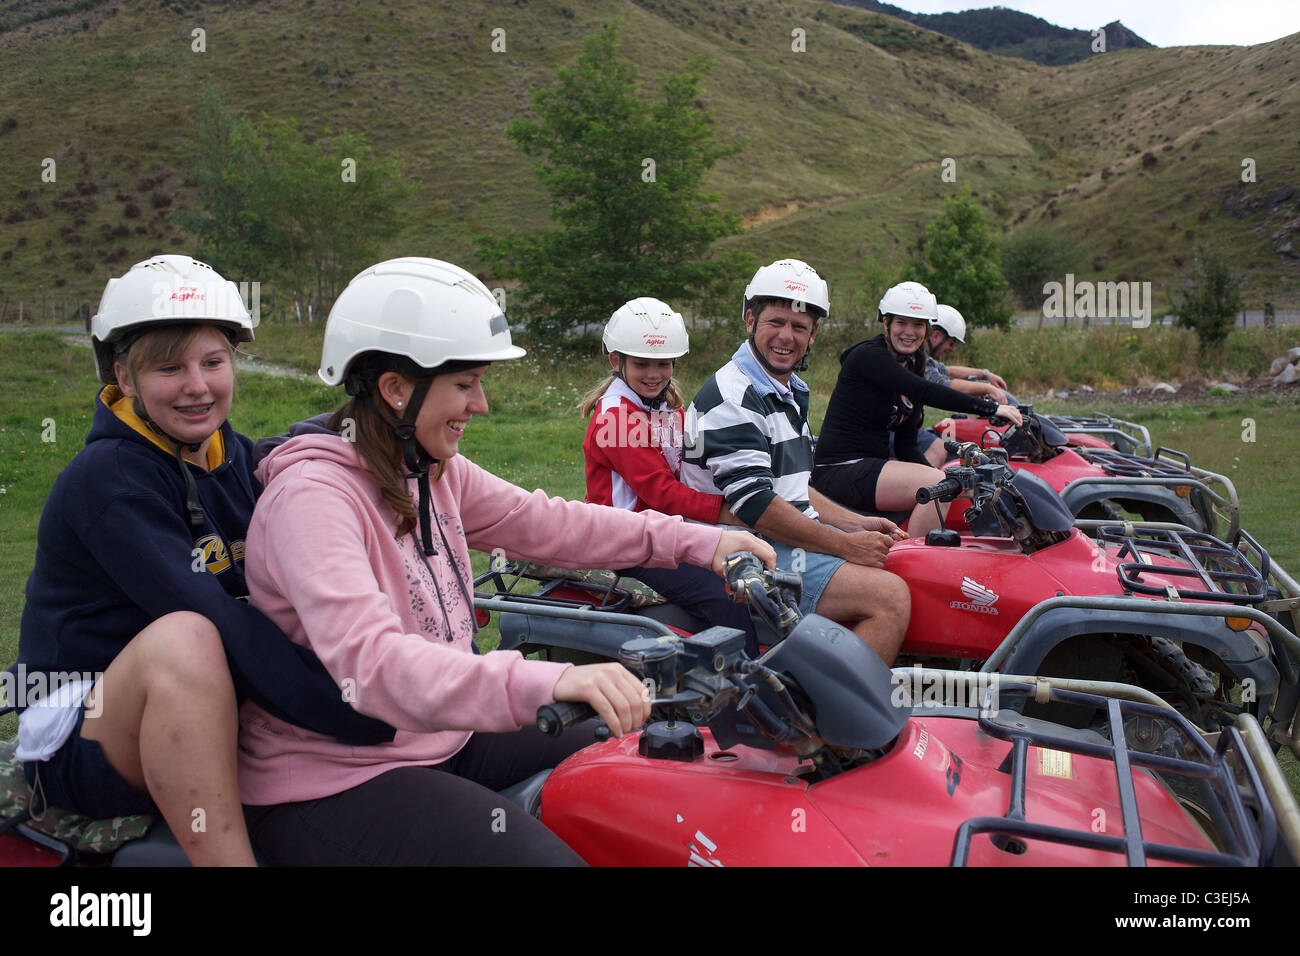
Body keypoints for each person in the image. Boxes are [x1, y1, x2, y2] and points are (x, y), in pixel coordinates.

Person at [237, 258, 772, 866]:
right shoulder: (313, 499)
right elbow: (375, 664)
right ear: (395, 390)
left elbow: (549, 523)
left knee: (656, 752)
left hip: (439, 733)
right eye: (465, 384)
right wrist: (550, 678)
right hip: (334, 776)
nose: (482, 405)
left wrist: (700, 543)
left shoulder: (428, 468)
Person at [13, 255, 392, 867]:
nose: (197, 385)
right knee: (188, 636)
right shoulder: (108, 481)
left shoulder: (235, 457)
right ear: (124, 377)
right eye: (169, 368)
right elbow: (216, 618)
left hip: (208, 699)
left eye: (212, 362)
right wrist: (361, 709)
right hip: (87, 728)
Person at [680, 259, 910, 666]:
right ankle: (834, 725)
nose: (786, 336)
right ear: (750, 319)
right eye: (775, 322)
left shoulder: (786, 389)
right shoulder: (733, 395)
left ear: (814, 334)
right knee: (890, 598)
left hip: (778, 539)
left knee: (911, 561)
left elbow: (791, 486)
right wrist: (845, 544)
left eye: (799, 327)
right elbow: (756, 507)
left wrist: (856, 523)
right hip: (746, 550)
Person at [580, 297, 760, 653]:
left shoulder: (664, 409)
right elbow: (662, 492)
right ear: (617, 361)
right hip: (624, 542)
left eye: (662, 364)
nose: (653, 373)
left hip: (658, 532)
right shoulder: (616, 418)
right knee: (726, 597)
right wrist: (732, 512)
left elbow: (696, 461)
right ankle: (746, 688)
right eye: (642, 364)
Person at [811, 281, 1022, 539]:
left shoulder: (912, 365)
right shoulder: (869, 357)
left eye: (918, 324)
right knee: (939, 484)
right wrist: (992, 407)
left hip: (871, 466)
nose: (909, 332)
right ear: (886, 323)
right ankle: (910, 560)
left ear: (927, 329)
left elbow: (906, 447)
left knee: (943, 481)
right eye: (901, 323)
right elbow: (925, 390)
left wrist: (942, 480)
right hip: (840, 468)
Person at [915, 304, 1015, 466]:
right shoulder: (916, 358)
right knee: (939, 448)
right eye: (951, 343)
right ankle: (920, 488)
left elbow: (948, 371)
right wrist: (988, 389)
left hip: (901, 420)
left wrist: (985, 374)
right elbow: (943, 386)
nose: (952, 349)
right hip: (889, 426)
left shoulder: (924, 358)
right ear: (935, 336)